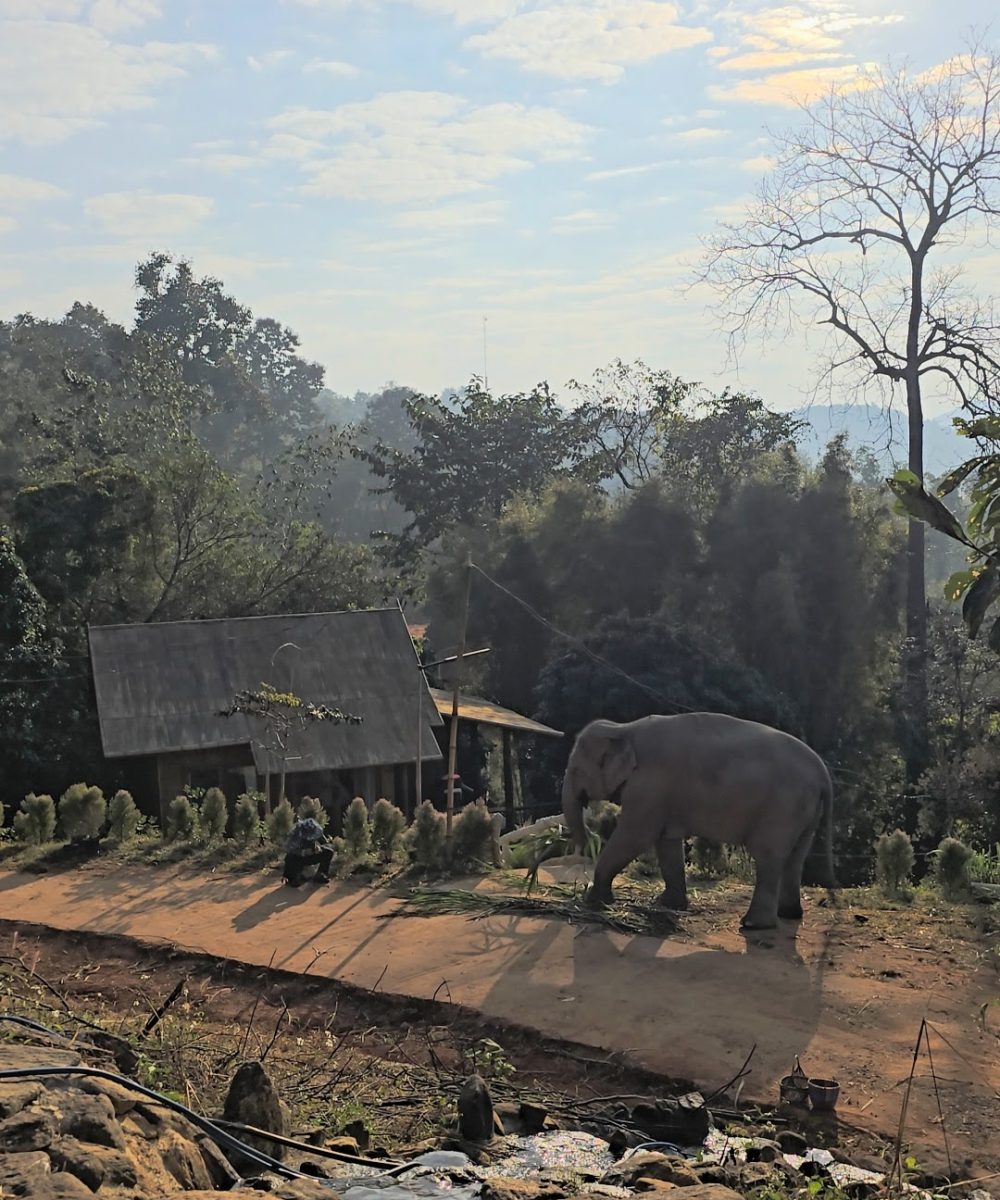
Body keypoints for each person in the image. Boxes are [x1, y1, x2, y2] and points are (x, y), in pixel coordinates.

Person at [282, 817, 333, 887]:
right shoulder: (296, 834)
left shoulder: (315, 830)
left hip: (311, 855)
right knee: (290, 857)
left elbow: (325, 843)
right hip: (298, 858)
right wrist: (303, 852)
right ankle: (294, 877)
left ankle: (320, 874)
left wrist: (319, 847)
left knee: (329, 852)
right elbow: (289, 849)